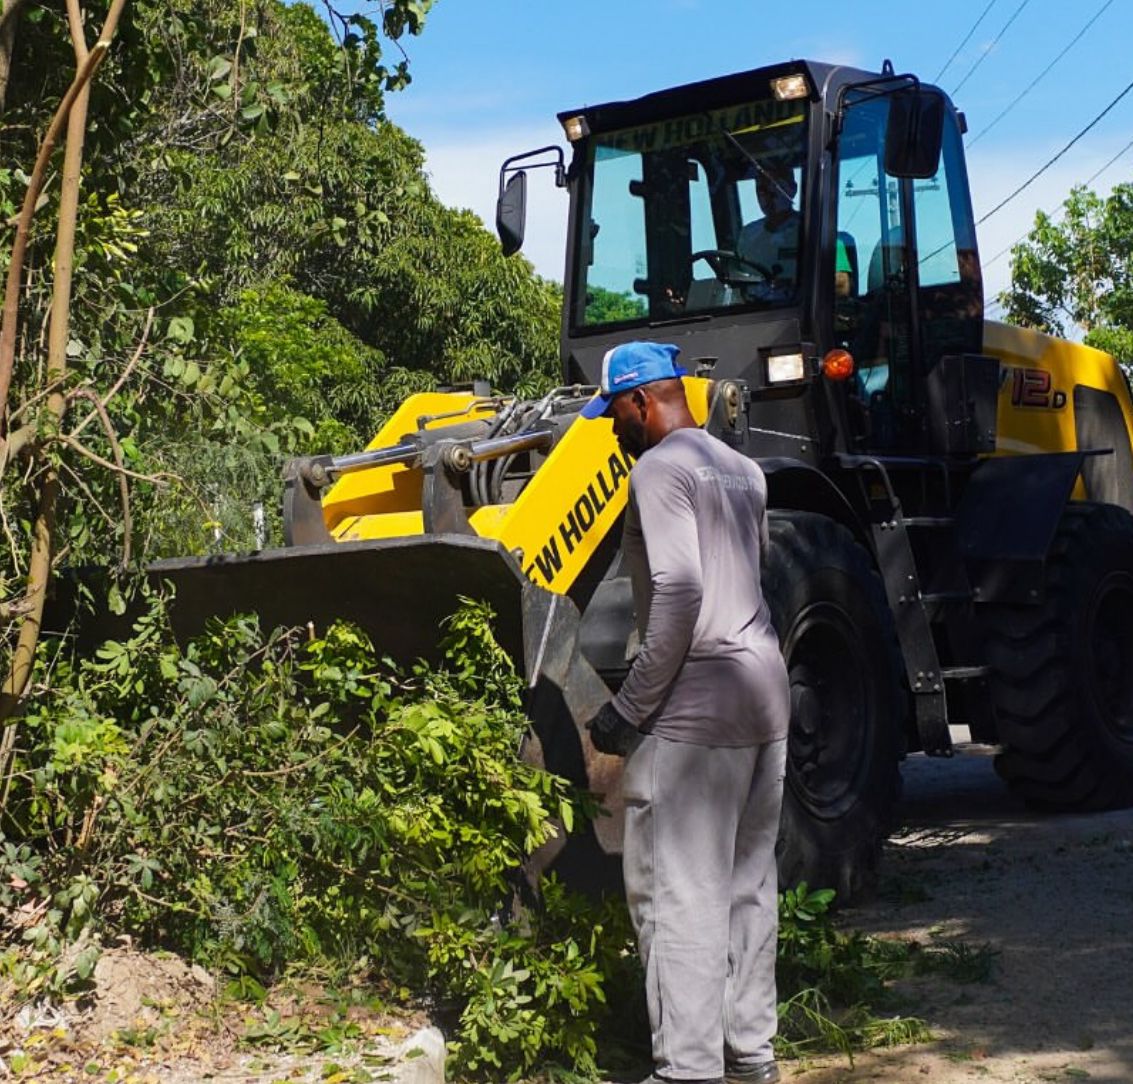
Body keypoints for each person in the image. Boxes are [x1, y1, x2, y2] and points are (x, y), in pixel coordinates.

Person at [580, 341, 790, 1084]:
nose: (613, 428)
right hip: (764, 695)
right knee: (746, 882)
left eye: (614, 412)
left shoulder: (658, 470)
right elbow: (751, 574)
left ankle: (688, 1071)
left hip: (696, 707)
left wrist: (629, 708)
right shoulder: (744, 470)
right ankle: (750, 1057)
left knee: (679, 894)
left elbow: (679, 590)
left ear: (642, 401)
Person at [736, 160, 800, 300]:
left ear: (793, 188)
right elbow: (735, 279)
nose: (767, 196)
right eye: (762, 189)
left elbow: (841, 284)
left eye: (775, 187)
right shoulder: (747, 235)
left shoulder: (816, 229)